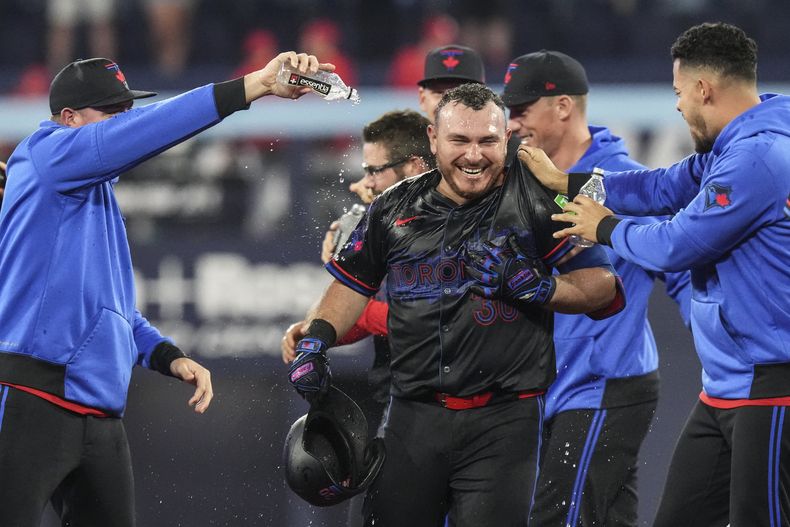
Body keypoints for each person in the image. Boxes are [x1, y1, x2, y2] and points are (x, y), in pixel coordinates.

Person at [0, 51, 330, 527]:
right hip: (34, 397)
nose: (125, 120)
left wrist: (167, 354)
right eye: (112, 112)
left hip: (99, 414)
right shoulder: (44, 154)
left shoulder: (95, 195)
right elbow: (151, 130)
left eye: (127, 109)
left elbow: (115, 311)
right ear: (69, 119)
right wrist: (252, 87)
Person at [287, 83, 625, 526]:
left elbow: (605, 288)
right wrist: (316, 339)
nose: (473, 155)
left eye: (487, 140)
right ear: (433, 140)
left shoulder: (539, 199)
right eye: (459, 141)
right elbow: (351, 286)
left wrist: (541, 288)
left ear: (506, 139)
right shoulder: (392, 207)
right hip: (412, 418)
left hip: (505, 423)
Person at [520, 22, 790, 527]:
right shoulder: (735, 144)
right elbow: (661, 186)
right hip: (726, 387)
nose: (677, 106)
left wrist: (604, 229)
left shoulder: (755, 158)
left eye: (678, 93)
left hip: (772, 385)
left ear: (702, 89)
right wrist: (570, 182)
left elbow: (675, 245)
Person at [501, 50, 691, 526]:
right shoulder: (516, 179)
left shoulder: (622, 180)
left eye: (522, 109)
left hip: (603, 383)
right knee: (607, 516)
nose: (512, 122)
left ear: (562, 106)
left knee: (555, 517)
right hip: (546, 385)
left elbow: (679, 266)